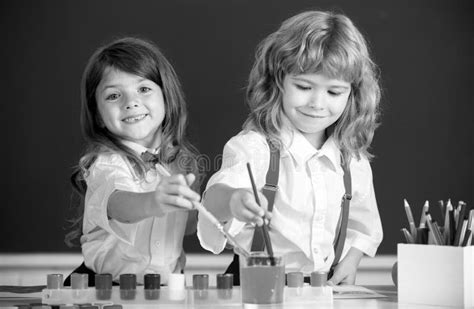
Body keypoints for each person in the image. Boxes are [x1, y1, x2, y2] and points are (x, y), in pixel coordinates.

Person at [197, 10, 383, 285]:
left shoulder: (351, 159)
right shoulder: (255, 148)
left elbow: (363, 225)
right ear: (278, 81)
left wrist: (352, 260)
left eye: (334, 92)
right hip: (256, 286)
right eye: (304, 86)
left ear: (352, 94)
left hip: (322, 288)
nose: (317, 103)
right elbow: (213, 201)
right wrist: (234, 200)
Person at [64, 37, 201, 285]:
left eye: (144, 89)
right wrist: (154, 201)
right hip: (104, 288)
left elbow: (190, 227)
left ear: (166, 97)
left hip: (164, 288)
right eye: (114, 95)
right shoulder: (105, 162)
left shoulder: (182, 162)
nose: (131, 103)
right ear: (99, 116)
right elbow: (120, 206)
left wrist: (202, 204)